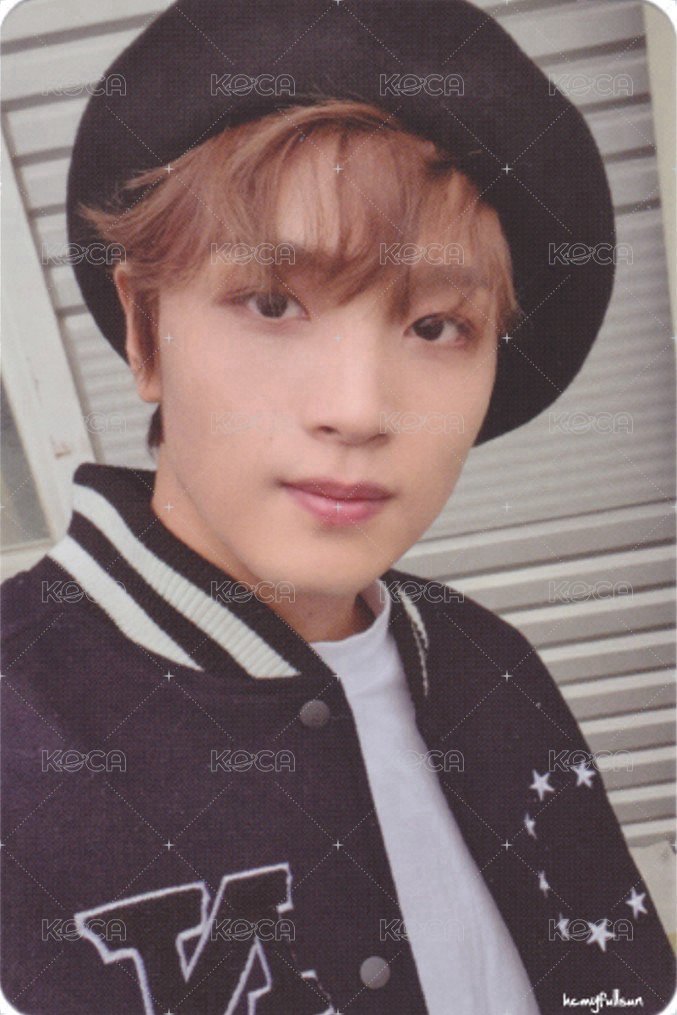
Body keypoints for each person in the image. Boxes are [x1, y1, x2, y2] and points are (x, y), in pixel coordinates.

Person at [2, 2, 674, 1013]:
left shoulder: (491, 665)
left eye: (437, 325)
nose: (357, 409)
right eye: (272, 303)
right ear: (144, 331)